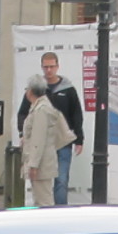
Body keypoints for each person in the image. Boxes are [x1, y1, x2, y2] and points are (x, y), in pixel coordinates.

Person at [16, 51, 83, 204]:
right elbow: (22, 113)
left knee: (61, 180)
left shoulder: (68, 90)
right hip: (44, 145)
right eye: (46, 67)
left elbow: (76, 114)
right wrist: (22, 133)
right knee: (43, 184)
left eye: (52, 67)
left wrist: (79, 138)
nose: (49, 70)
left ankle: (58, 211)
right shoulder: (38, 89)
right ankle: (54, 212)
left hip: (60, 143)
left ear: (57, 66)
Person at [20, 74, 71, 208]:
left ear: (30, 91)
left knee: (44, 202)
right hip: (43, 162)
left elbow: (39, 138)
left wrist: (33, 165)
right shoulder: (41, 107)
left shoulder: (41, 110)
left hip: (41, 165)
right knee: (40, 201)